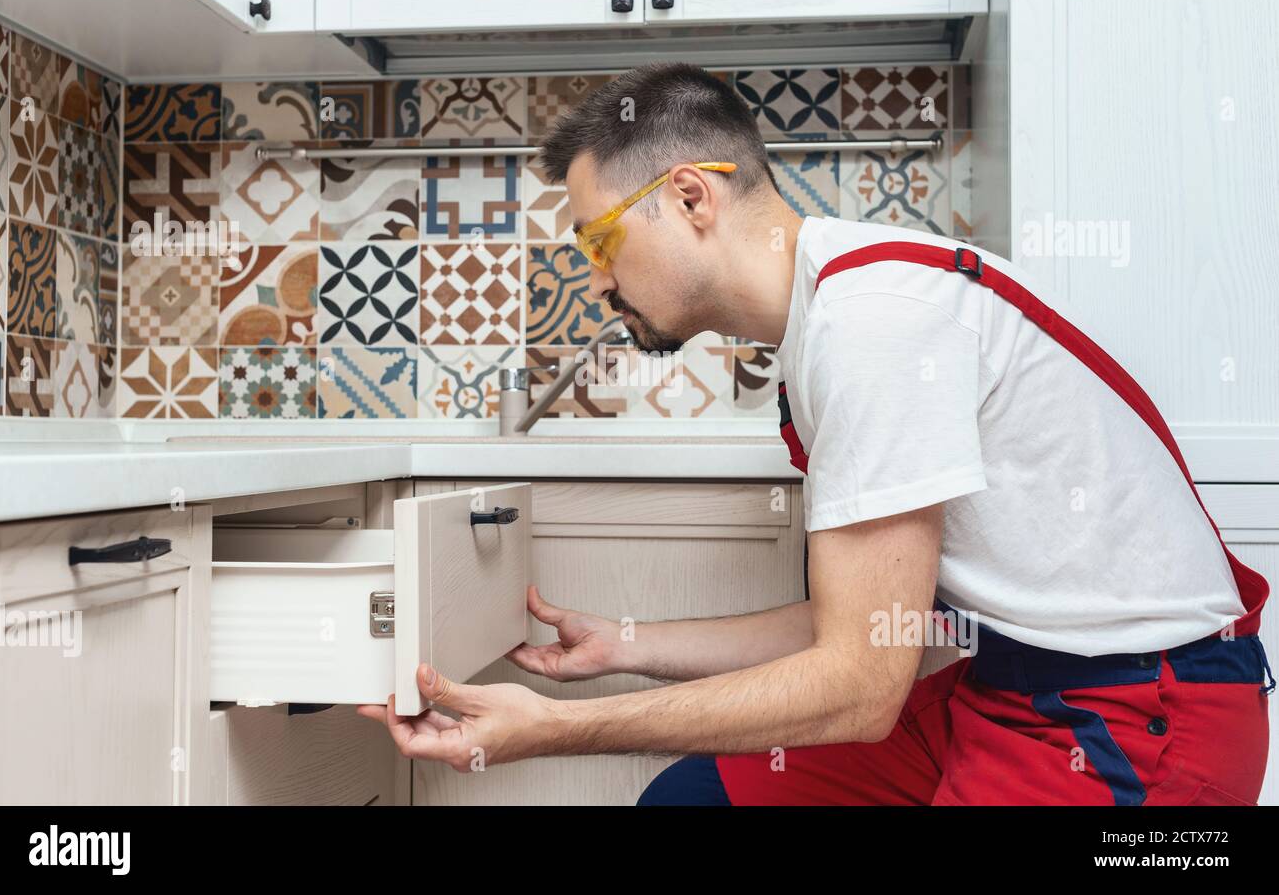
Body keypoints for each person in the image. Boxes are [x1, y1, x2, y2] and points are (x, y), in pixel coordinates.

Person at [358, 62, 1273, 805]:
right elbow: (868, 623)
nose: (597, 281)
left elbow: (861, 687)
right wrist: (626, 644)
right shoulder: (826, 319)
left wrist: (557, 729)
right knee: (693, 802)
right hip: (1009, 691)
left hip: (1138, 721)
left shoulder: (872, 323)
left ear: (689, 198)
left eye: (598, 243)